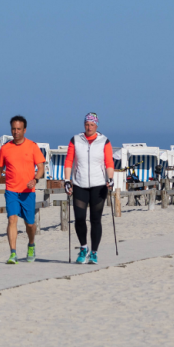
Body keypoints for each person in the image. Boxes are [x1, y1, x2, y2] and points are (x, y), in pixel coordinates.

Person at [0, 115, 45, 264]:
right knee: (12, 219)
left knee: (30, 224)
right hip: (11, 191)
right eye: (13, 129)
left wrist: (35, 179)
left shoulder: (32, 146)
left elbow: (41, 168)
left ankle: (31, 244)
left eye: (19, 129)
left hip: (28, 193)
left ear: (24, 130)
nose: (16, 131)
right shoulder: (5, 149)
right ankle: (13, 253)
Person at [64, 113, 114, 265]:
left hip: (99, 185)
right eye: (87, 124)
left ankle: (94, 252)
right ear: (84, 125)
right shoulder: (76, 139)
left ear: (96, 126)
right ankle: (83, 248)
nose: (89, 127)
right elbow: (69, 161)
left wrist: (110, 179)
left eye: (92, 124)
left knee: (95, 219)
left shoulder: (104, 141)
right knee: (79, 218)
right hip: (80, 184)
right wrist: (67, 180)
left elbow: (109, 162)